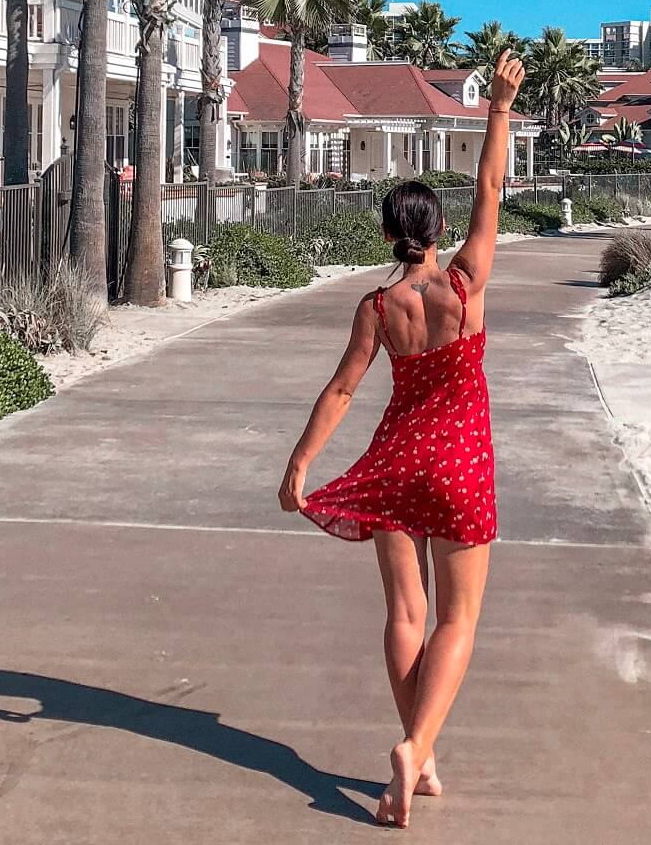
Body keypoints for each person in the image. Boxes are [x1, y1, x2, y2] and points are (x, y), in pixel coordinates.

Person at [277, 49, 526, 828]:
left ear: (388, 233)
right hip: (459, 462)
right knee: (459, 620)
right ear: (438, 229)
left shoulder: (377, 308)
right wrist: (499, 107)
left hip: (394, 462)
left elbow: (344, 388)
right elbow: (491, 185)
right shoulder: (464, 283)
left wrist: (300, 466)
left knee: (405, 615)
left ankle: (422, 757)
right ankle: (415, 748)